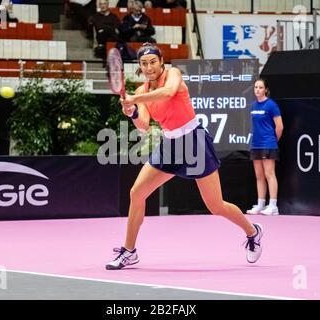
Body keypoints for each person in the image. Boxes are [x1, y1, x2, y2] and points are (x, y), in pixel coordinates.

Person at [105, 43, 263, 270]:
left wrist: (135, 101)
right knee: (136, 192)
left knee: (216, 205)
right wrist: (133, 112)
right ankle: (129, 251)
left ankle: (253, 232)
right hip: (169, 144)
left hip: (194, 141)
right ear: (139, 66)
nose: (149, 67)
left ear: (161, 61)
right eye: (144, 63)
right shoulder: (141, 93)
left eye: (153, 62)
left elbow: (168, 92)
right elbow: (144, 127)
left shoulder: (173, 74)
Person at [246, 79, 283, 216]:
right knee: (259, 176)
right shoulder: (253, 105)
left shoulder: (271, 105)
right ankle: (261, 204)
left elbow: (279, 127)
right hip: (255, 144)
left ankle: (273, 205)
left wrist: (272, 141)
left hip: (268, 144)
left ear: (266, 89)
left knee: (269, 174)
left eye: (260, 87)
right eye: (256, 87)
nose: (257, 90)